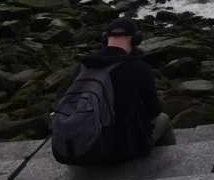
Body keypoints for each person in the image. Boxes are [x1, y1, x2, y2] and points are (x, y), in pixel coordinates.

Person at [64, 18, 175, 162]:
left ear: (105, 38)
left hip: (80, 150)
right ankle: (165, 168)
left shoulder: (82, 67)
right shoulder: (139, 68)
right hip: (120, 150)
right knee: (163, 119)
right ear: (136, 39)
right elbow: (154, 110)